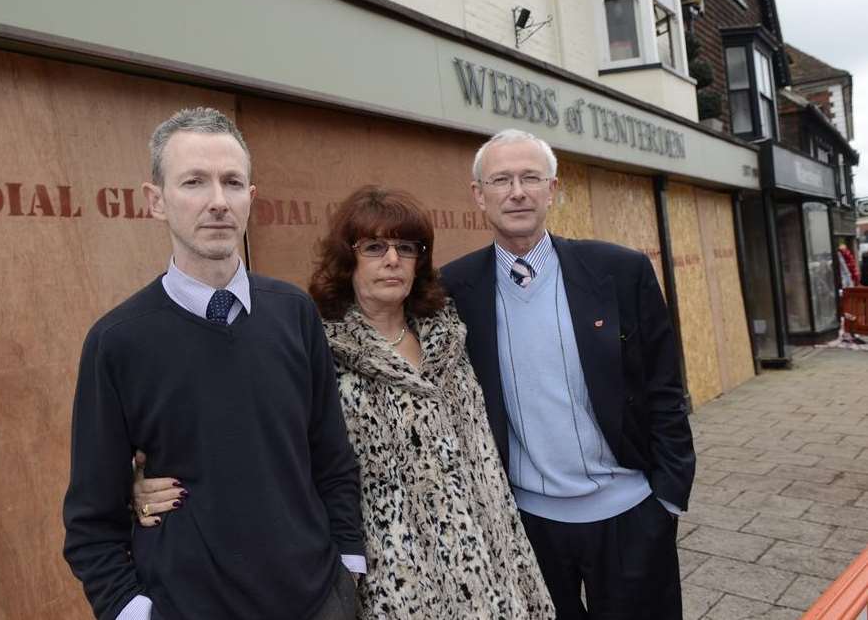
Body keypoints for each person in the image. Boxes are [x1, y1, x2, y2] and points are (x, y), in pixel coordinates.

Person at [134, 186, 555, 619]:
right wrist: (144, 482)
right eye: (374, 247)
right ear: (347, 259)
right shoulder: (315, 345)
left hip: (489, 558)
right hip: (390, 575)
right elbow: (251, 436)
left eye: (407, 247)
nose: (392, 260)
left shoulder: (449, 335)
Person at [62, 107, 364, 620]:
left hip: (319, 601)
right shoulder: (117, 342)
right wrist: (132, 611)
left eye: (232, 182)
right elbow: (92, 519)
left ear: (252, 197)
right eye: (194, 182)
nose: (218, 202)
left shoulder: (294, 313)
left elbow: (332, 459)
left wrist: (348, 571)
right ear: (155, 200)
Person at [439, 129, 695, 620]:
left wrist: (668, 499)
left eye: (531, 177)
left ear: (552, 189)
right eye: (501, 180)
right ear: (479, 195)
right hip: (526, 524)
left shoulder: (621, 271)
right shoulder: (454, 288)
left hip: (631, 517)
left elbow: (665, 387)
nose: (517, 191)